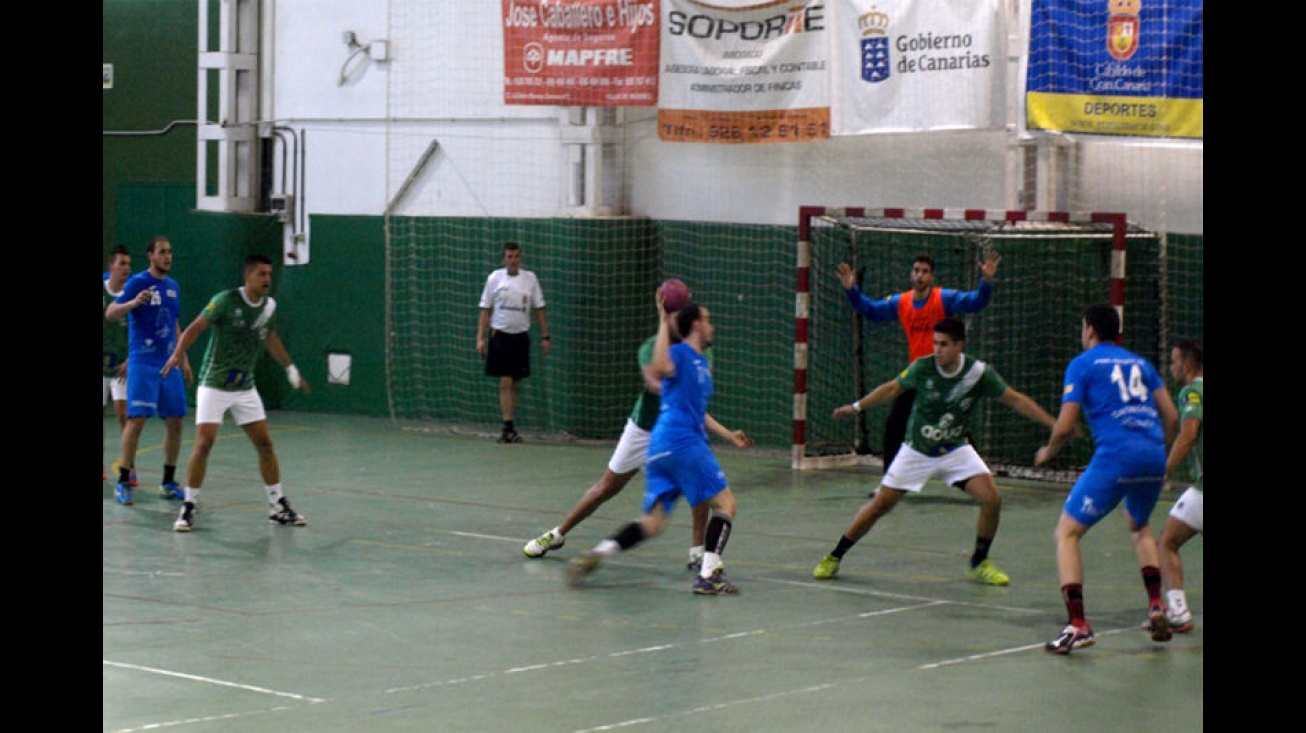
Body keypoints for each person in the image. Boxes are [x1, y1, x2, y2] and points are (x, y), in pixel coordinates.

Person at [813, 317, 1060, 586]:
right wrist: (857, 407)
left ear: (959, 346)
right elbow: (891, 389)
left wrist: (1054, 425)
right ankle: (835, 555)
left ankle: (979, 562)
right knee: (879, 506)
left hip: (955, 450)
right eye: (935, 343)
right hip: (917, 451)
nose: (937, 349)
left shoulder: (978, 374)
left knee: (992, 499)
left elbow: (1015, 399)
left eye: (943, 344)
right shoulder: (924, 367)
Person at [523, 327, 752, 569]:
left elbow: (693, 404)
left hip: (680, 432)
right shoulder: (653, 347)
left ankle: (697, 553)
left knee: (702, 487)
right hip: (643, 430)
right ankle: (558, 534)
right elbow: (655, 385)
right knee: (606, 487)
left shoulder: (704, 353)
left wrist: (728, 434)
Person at [567, 295, 750, 595]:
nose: (712, 326)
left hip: (662, 446)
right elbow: (660, 364)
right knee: (726, 503)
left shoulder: (702, 364)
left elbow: (696, 410)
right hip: (684, 443)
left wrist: (728, 434)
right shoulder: (678, 354)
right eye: (708, 320)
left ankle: (600, 552)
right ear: (695, 325)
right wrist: (665, 321)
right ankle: (708, 575)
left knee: (652, 522)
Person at [1034, 304, 1180, 654]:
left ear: (1089, 330)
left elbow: (1067, 425)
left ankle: (1078, 624)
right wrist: (1159, 454)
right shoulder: (1141, 364)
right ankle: (1157, 605)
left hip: (1116, 456)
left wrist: (1049, 450)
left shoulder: (1082, 364)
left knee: (1067, 532)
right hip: (1153, 453)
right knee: (1139, 526)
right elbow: (1171, 415)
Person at [161, 253, 311, 532]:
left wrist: (290, 368)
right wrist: (178, 355)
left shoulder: (269, 307)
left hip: (245, 387)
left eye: (269, 274)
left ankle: (277, 505)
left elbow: (270, 337)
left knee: (265, 444)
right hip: (214, 384)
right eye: (261, 275)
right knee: (204, 443)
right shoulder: (224, 301)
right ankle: (189, 507)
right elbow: (194, 329)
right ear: (248, 277)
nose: (267, 280)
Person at [838, 251, 1001, 479]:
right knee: (895, 426)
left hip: (943, 376)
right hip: (918, 375)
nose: (919, 276)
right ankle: (889, 482)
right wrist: (851, 289)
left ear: (931, 277)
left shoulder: (943, 299)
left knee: (956, 429)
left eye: (925, 272)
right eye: (916, 270)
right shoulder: (902, 302)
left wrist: (987, 281)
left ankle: (980, 478)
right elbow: (871, 310)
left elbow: (976, 301)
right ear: (910, 274)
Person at [105, 235, 192, 506]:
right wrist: (133, 303)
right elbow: (110, 312)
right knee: (136, 421)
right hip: (143, 361)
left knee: (176, 420)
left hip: (168, 362)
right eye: (162, 252)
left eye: (170, 252)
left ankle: (167, 481)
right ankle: (123, 482)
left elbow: (174, 323)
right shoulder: (138, 282)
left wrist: (183, 356)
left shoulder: (173, 287)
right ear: (151, 256)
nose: (168, 256)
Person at [476, 241, 550, 444]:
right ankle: (506, 426)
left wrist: (546, 337)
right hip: (500, 336)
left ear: (520, 258)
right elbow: (485, 309)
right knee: (505, 380)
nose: (513, 260)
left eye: (516, 256)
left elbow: (539, 310)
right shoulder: (494, 278)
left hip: (521, 336)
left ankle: (510, 424)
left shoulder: (530, 279)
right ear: (504, 258)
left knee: (516, 382)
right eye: (509, 257)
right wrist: (480, 338)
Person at [1155, 338, 1202, 634]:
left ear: (1186, 364)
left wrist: (1165, 471)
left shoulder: (1192, 392)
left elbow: (1187, 435)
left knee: (1167, 542)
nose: (1171, 367)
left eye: (1174, 362)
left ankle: (1179, 612)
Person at [103, 245, 137, 487]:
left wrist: (130, 359)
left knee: (124, 415)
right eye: (122, 263)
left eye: (128, 264)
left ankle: (129, 466)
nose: (126, 268)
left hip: (123, 367)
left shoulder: (132, 295)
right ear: (110, 267)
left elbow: (139, 330)